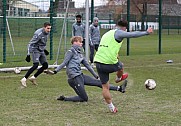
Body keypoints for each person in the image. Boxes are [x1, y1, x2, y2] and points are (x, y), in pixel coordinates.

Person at [94, 19, 153, 113]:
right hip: (108, 62)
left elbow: (106, 46)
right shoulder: (119, 33)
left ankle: (112, 108)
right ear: (124, 28)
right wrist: (146, 32)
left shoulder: (107, 33)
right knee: (121, 66)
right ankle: (118, 78)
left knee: (105, 87)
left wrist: (115, 54)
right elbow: (132, 35)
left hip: (98, 61)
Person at [44, 36, 127, 102]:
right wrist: (55, 71)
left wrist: (96, 76)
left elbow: (87, 66)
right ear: (74, 42)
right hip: (74, 78)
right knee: (84, 98)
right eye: (80, 42)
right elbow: (64, 63)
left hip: (80, 76)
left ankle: (119, 88)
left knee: (100, 83)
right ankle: (64, 98)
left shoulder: (80, 53)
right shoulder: (70, 52)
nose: (81, 43)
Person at [20, 22, 51, 88]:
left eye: (50, 28)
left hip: (41, 50)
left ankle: (33, 77)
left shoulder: (47, 33)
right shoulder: (38, 34)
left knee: (45, 65)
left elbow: (42, 42)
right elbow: (30, 44)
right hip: (35, 50)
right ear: (44, 27)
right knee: (35, 65)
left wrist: (44, 50)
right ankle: (24, 79)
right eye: (47, 28)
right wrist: (28, 54)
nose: (49, 30)